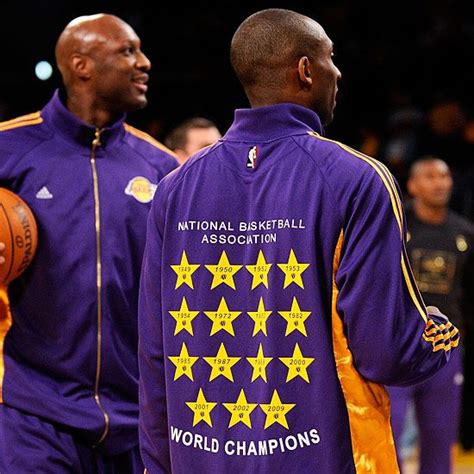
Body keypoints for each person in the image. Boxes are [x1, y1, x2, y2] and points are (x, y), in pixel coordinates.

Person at [138, 8, 459, 473]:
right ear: (306, 70)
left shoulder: (175, 187)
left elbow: (154, 349)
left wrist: (156, 461)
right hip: (323, 455)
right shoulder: (358, 178)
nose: (338, 72)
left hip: (198, 456)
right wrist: (434, 335)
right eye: (331, 58)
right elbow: (386, 350)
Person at [0, 13, 177, 473]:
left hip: (137, 418)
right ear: (81, 65)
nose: (144, 63)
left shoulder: (160, 166)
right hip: (31, 410)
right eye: (127, 51)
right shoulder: (8, 149)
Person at [387, 156, 474, 473]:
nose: (440, 183)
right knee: (389, 430)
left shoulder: (464, 232)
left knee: (441, 433)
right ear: (412, 185)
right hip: (398, 343)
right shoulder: (395, 229)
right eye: (430, 176)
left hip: (445, 346)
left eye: (445, 175)